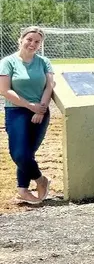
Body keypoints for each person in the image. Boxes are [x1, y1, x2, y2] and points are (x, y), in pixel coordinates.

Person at [0, 27, 54, 204]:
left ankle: (22, 189)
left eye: (37, 41)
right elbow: (4, 90)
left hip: (40, 111)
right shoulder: (8, 62)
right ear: (21, 39)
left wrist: (41, 109)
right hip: (17, 111)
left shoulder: (44, 62)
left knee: (28, 153)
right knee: (19, 154)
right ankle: (41, 180)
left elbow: (49, 86)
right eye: (29, 39)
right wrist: (30, 106)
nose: (33, 44)